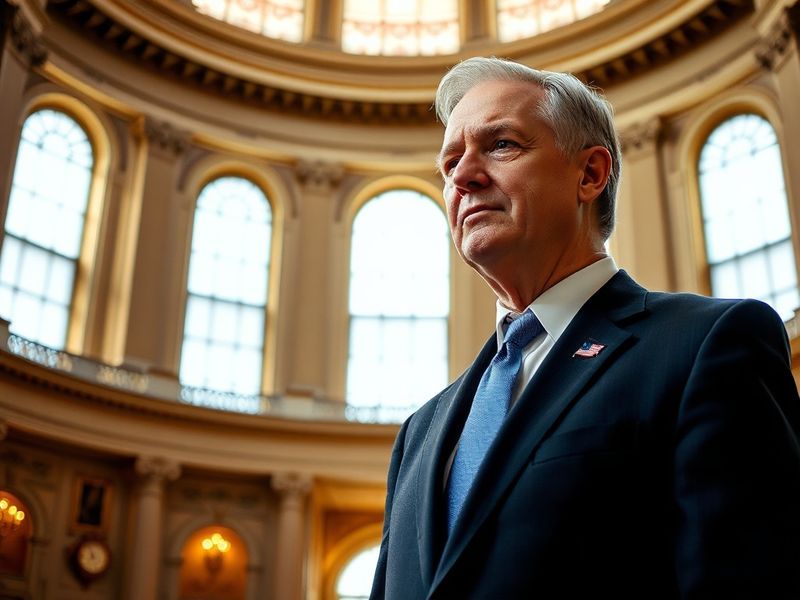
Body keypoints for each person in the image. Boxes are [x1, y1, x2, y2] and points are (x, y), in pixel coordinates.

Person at [370, 57, 800, 599]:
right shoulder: (420, 432)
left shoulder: (706, 345)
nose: (463, 175)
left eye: (501, 145)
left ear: (591, 174)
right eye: (450, 162)